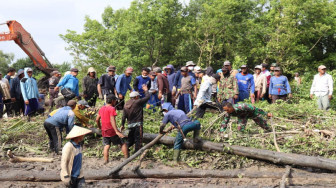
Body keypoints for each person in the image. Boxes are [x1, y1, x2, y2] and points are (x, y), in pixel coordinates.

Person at [96, 94, 128, 164]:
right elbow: (112, 120)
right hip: (111, 129)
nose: (116, 102)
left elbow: (97, 119)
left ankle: (106, 160)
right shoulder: (112, 109)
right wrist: (116, 131)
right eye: (115, 101)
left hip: (104, 130)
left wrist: (100, 127)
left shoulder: (101, 108)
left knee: (107, 145)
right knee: (122, 142)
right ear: (113, 101)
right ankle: (126, 158)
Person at [122, 85, 150, 153]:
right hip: (138, 124)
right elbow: (147, 97)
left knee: (130, 139)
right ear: (136, 97)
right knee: (138, 139)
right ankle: (137, 153)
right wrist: (146, 90)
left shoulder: (126, 104)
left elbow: (124, 115)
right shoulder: (137, 102)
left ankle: (125, 149)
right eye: (138, 96)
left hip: (130, 124)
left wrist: (122, 124)